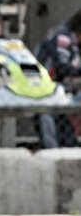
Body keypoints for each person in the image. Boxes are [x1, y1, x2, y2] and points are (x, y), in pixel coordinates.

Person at [35, 9, 81, 148]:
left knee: (67, 141)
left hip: (61, 95)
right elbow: (62, 66)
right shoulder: (63, 37)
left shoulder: (72, 40)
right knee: (52, 143)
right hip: (46, 93)